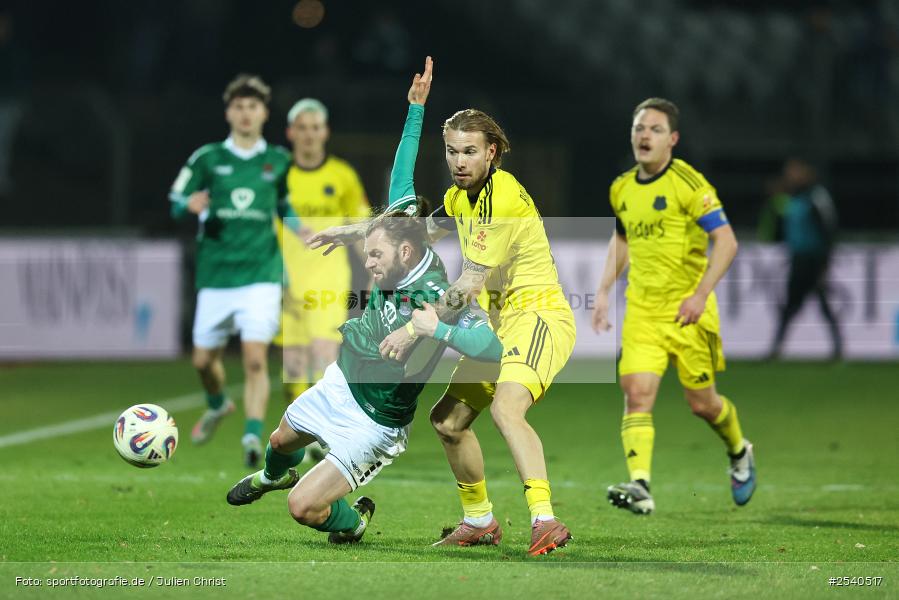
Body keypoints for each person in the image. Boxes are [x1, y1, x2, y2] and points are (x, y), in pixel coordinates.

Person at [226, 66, 504, 544]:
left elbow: (489, 346)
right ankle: (272, 475)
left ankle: (352, 523)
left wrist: (432, 329)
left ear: (406, 253)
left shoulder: (440, 294)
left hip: (376, 423)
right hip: (340, 384)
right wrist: (416, 110)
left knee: (304, 507)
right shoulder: (401, 230)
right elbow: (403, 170)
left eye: (375, 257)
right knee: (279, 443)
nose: (369, 265)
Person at [312, 57, 577, 556]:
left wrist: (416, 330)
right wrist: (350, 231)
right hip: (501, 322)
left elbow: (468, 285)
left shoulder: (502, 197)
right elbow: (412, 228)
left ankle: (545, 518)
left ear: (492, 153)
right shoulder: (460, 197)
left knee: (506, 408)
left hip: (538, 316)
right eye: (453, 151)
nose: (459, 161)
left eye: (470, 152)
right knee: (448, 421)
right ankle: (479, 519)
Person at [592, 97, 756, 515]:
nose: (645, 136)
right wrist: (604, 290)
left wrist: (700, 294)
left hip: (688, 311)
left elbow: (727, 241)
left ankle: (739, 450)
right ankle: (641, 484)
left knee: (703, 404)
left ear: (673, 139)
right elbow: (624, 239)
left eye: (655, 129)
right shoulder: (622, 188)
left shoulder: (689, 184)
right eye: (639, 128)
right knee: (636, 394)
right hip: (644, 310)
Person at [169, 74, 303, 467]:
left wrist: (302, 229)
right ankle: (217, 403)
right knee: (202, 361)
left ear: (264, 113)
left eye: (253, 107)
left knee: (255, 358)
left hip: (261, 273)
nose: (246, 114)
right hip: (216, 275)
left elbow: (284, 206)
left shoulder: (278, 160)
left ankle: (251, 434)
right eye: (239, 107)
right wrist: (187, 206)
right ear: (229, 112)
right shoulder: (208, 158)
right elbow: (177, 199)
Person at [278, 98, 370, 403]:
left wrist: (373, 267)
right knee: (293, 368)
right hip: (286, 282)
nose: (309, 134)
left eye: (315, 128)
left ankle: (324, 438)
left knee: (323, 357)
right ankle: (298, 440)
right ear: (290, 132)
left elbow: (360, 228)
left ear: (325, 131)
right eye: (302, 128)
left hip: (328, 280)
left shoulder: (342, 176)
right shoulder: (278, 178)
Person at [767, 158, 842, 360]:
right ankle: (776, 349)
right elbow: (778, 231)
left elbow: (829, 230)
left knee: (822, 305)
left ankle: (838, 350)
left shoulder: (817, 196)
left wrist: (825, 264)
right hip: (798, 260)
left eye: (794, 171)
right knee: (792, 305)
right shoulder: (791, 199)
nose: (790, 175)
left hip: (814, 260)